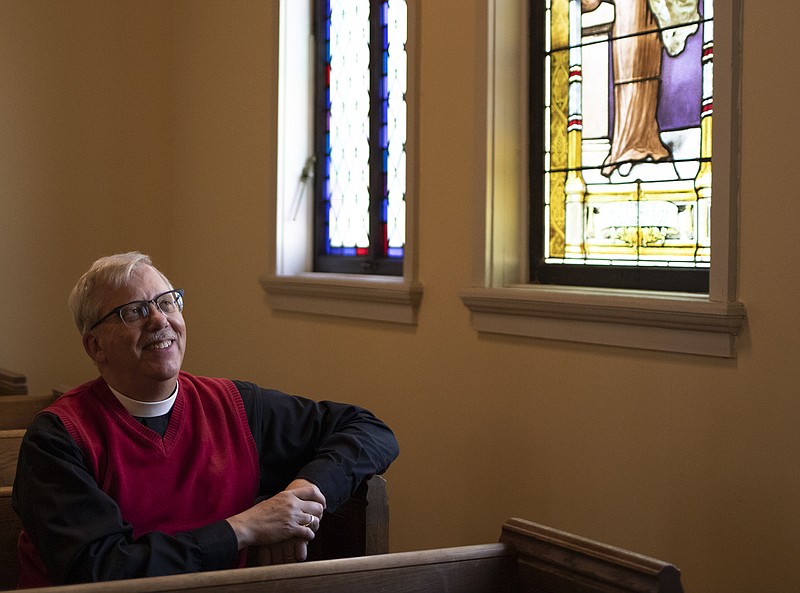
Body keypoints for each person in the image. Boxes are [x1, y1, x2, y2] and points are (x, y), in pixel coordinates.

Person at [11, 252, 399, 588]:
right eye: (134, 311)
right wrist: (243, 529)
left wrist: (301, 495)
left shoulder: (234, 406)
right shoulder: (58, 438)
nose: (159, 320)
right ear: (95, 346)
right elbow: (102, 572)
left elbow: (369, 430)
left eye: (167, 302)